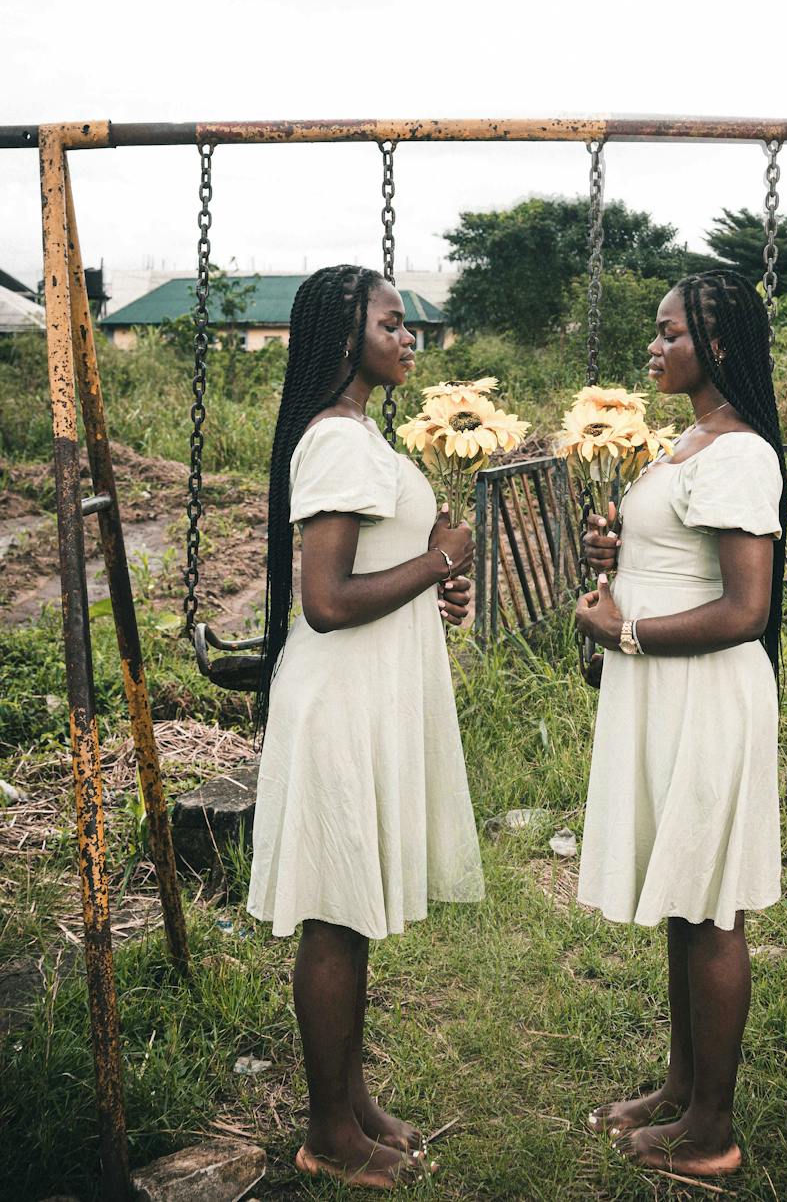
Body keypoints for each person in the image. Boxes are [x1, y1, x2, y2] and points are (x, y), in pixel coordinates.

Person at [246, 264, 485, 1190]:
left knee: (353, 909)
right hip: (342, 698)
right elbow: (327, 602)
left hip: (370, 690)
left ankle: (352, 1102)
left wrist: (432, 583)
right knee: (335, 916)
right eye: (394, 323)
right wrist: (434, 563)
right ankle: (326, 1134)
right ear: (347, 334)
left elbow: (370, 577)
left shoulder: (357, 435)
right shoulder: (340, 444)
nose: (409, 336)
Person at [575, 269, 787, 1178]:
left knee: (709, 907)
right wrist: (617, 554)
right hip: (663, 688)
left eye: (670, 335)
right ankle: (680, 1087)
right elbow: (680, 560)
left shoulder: (741, 454)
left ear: (722, 346)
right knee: (682, 894)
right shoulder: (690, 440)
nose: (653, 348)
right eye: (654, 333)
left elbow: (745, 609)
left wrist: (622, 628)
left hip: (704, 693)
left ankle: (714, 1132)